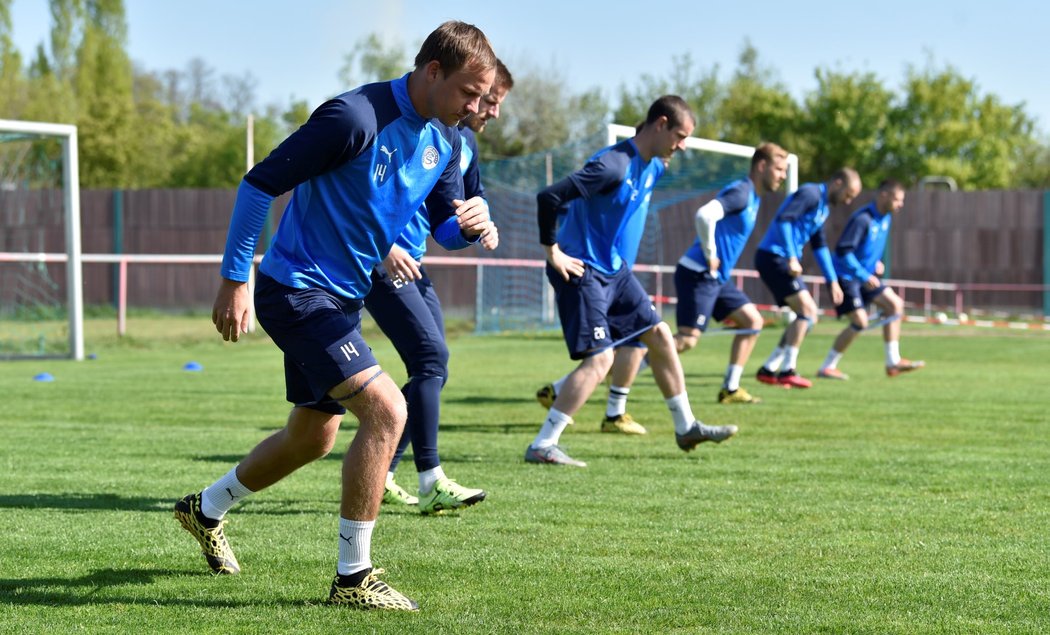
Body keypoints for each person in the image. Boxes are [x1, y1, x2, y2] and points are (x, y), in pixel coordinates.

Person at [173, 21, 497, 611]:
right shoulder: (355, 118)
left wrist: (471, 226)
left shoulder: (446, 141)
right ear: (432, 73)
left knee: (313, 437)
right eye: (470, 93)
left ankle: (204, 508)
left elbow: (444, 229)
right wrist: (234, 279)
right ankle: (353, 579)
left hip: (341, 299)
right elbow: (258, 185)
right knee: (386, 410)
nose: (478, 107)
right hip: (293, 289)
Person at [525, 95, 738, 468]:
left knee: (660, 335)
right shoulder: (612, 165)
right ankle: (544, 444)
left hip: (615, 271)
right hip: (582, 270)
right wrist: (552, 251)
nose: (684, 145)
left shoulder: (653, 165)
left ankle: (686, 426)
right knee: (601, 359)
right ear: (660, 124)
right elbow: (550, 196)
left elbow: (653, 165)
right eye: (680, 135)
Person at [535, 142, 790, 418]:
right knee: (664, 342)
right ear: (761, 166)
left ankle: (726, 389)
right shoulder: (741, 191)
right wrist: (710, 253)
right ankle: (574, 409)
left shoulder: (656, 172)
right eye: (779, 169)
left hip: (714, 278)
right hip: (697, 274)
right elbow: (705, 214)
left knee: (750, 322)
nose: (783, 176)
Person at [370, 60, 514, 514]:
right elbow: (363, 193)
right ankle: (430, 478)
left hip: (414, 263)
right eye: (487, 100)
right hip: (380, 261)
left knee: (434, 367)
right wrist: (382, 246)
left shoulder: (460, 142)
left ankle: (383, 473)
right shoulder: (406, 127)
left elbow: (451, 220)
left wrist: (478, 225)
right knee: (430, 359)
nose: (488, 111)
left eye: (493, 102)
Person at [753, 168, 860, 388]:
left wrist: (832, 281)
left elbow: (819, 246)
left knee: (809, 317)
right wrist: (792, 256)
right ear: (838, 183)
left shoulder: (823, 207)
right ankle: (787, 371)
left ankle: (770, 368)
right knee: (808, 312)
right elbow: (784, 220)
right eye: (848, 195)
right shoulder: (810, 193)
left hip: (782, 259)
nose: (848, 201)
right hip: (774, 256)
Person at [816, 178, 925, 379]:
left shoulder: (886, 217)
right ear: (884, 195)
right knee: (860, 321)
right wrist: (863, 273)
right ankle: (827, 367)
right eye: (897, 200)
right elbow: (842, 252)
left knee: (895, 305)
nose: (900, 205)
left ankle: (893, 362)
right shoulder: (862, 219)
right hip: (847, 276)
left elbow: (867, 247)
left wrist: (874, 263)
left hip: (864, 276)